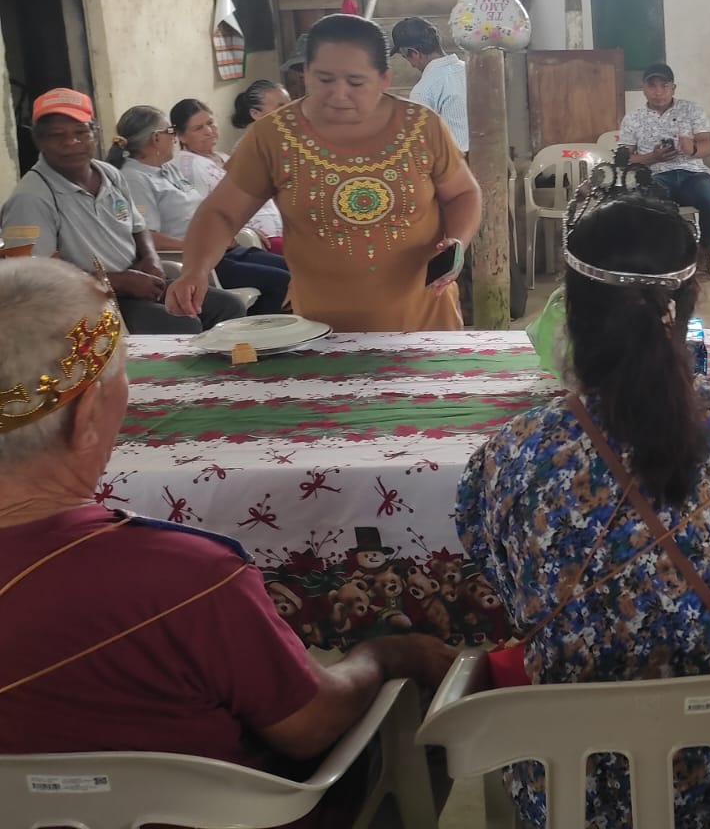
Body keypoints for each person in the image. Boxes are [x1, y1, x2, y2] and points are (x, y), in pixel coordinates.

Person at [0, 257, 456, 818]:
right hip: (212, 816)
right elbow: (310, 727)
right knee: (428, 719)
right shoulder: (186, 576)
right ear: (88, 413)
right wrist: (383, 656)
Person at [455, 175, 710, 829]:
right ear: (688, 300)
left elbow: (508, 590)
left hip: (569, 791)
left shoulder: (510, 454)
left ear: (570, 310)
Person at [165, 14, 483, 333]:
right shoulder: (274, 137)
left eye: (356, 82)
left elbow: (462, 193)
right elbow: (221, 212)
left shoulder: (421, 127)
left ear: (384, 78)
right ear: (305, 73)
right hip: (321, 329)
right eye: (325, 79)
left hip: (425, 321)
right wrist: (195, 270)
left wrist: (456, 240)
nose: (339, 94)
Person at [0, 89, 243, 334]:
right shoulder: (31, 197)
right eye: (56, 135)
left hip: (135, 283)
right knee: (181, 323)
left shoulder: (109, 174)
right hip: (84, 304)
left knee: (227, 306)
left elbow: (139, 227)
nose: (71, 142)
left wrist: (151, 260)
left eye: (81, 132)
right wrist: (118, 281)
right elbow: (35, 277)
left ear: (95, 133)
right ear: (38, 140)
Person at [107, 106, 290, 316]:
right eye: (170, 131)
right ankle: (261, 333)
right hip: (196, 260)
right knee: (282, 282)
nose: (174, 139)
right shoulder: (134, 178)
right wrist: (196, 247)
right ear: (156, 138)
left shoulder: (167, 168)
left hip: (220, 250)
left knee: (292, 268)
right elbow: (148, 236)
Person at [617, 62, 710, 277]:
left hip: (692, 173)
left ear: (673, 88)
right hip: (655, 175)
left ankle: (703, 252)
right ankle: (665, 258)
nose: (658, 92)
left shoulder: (691, 110)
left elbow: (707, 145)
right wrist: (652, 157)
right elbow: (624, 160)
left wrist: (691, 149)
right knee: (648, 206)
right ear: (643, 89)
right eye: (652, 86)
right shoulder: (633, 118)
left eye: (664, 86)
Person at [172, 96, 287, 252]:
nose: (209, 131)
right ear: (181, 136)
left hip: (278, 231)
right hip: (254, 241)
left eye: (210, 123)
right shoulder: (189, 165)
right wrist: (244, 231)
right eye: (198, 128)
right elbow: (203, 212)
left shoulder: (224, 157)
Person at [390, 16, 469, 153]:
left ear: (414, 53)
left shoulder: (424, 90)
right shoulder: (470, 71)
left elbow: (421, 145)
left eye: (406, 58)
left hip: (454, 161)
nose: (412, 66)